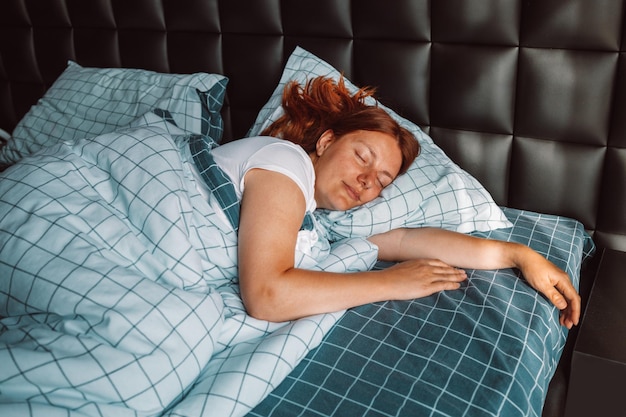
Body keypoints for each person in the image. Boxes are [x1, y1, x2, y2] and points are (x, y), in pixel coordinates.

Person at [210, 76, 581, 329]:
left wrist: (519, 255)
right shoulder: (285, 161)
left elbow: (405, 240)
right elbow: (266, 296)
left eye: (381, 181)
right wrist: (389, 283)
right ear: (324, 143)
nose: (367, 180)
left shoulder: (318, 219)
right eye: (361, 157)